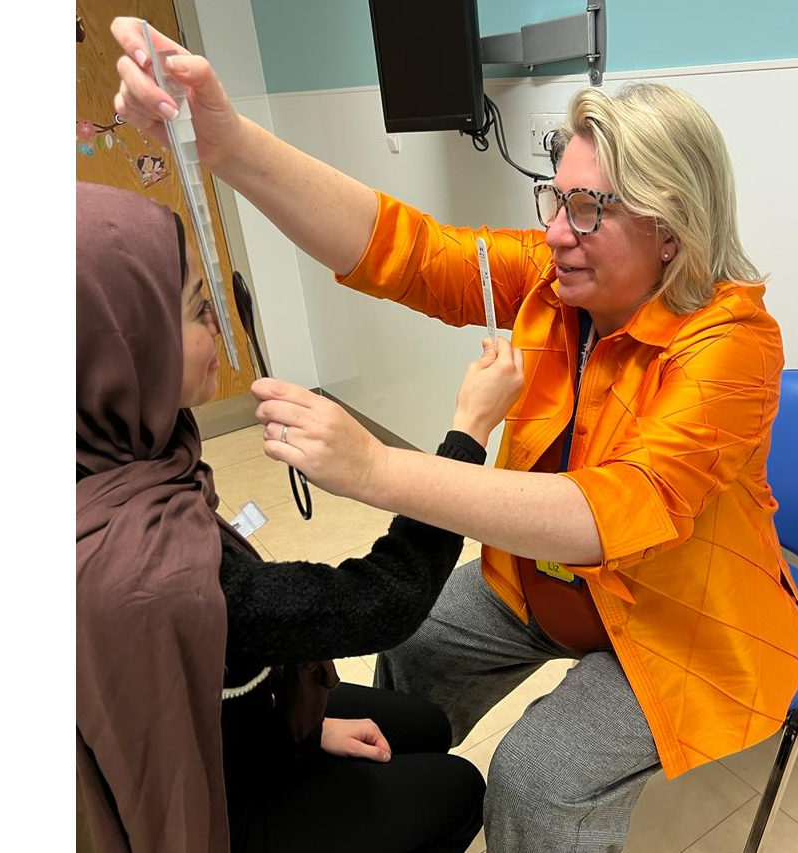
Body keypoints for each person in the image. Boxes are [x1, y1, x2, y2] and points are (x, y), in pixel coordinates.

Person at [105, 20, 798, 853]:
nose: (556, 231)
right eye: (557, 196)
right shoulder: (557, 284)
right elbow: (402, 251)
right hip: (542, 584)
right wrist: (228, 143)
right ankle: (398, 807)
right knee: (419, 639)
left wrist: (378, 467)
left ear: (672, 228)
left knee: (537, 778)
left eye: (588, 209)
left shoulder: (732, 343)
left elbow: (619, 509)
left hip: (675, 615)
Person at [74, 180, 525, 853]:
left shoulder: (119, 449)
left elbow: (208, 669)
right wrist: (468, 430)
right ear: (126, 346)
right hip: (221, 808)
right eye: (199, 309)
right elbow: (381, 600)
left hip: (228, 735)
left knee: (423, 724)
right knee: (459, 784)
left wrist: (308, 731)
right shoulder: (154, 570)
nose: (219, 327)